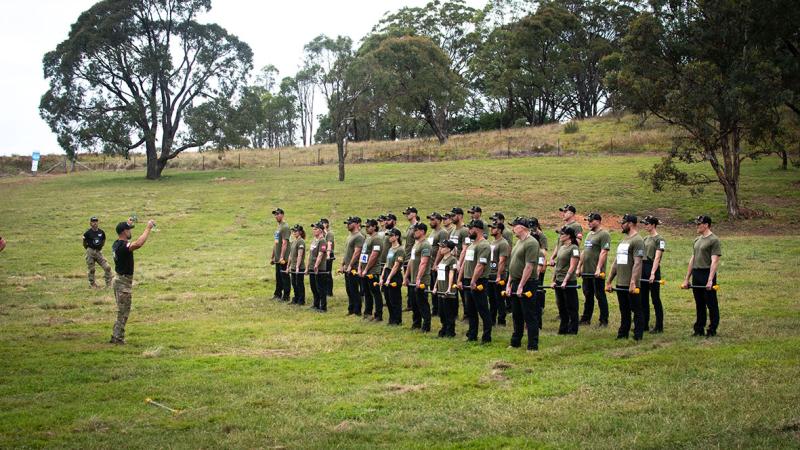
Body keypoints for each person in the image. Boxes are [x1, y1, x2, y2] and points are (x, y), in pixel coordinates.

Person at [110, 219, 155, 344]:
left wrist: (128, 222)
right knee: (123, 311)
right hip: (123, 282)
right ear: (124, 232)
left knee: (122, 310)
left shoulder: (116, 244)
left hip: (120, 280)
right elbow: (138, 244)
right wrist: (148, 228)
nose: (130, 231)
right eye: (129, 229)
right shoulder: (123, 247)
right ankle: (118, 337)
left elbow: (130, 243)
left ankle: (116, 335)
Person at [606, 214, 646, 340]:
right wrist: (609, 280)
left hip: (631, 283)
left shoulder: (638, 240)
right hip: (621, 282)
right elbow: (617, 262)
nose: (621, 225)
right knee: (624, 310)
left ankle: (638, 335)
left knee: (637, 310)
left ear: (630, 223)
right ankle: (623, 333)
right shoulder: (624, 240)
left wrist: (633, 282)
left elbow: (638, 262)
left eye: (623, 223)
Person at [505, 217, 542, 351]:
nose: (513, 228)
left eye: (515, 226)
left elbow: (529, 266)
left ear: (522, 227)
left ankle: (532, 345)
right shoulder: (518, 242)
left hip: (527, 284)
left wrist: (521, 285)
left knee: (529, 315)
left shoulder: (531, 243)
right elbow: (513, 265)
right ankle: (515, 342)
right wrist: (509, 284)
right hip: (515, 281)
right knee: (516, 314)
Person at [682, 215, 722, 337]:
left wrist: (710, 280)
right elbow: (692, 259)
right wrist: (687, 278)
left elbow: (714, 261)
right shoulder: (696, 240)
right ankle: (699, 329)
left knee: (711, 304)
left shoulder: (714, 240)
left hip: (707, 273)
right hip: (697, 274)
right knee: (699, 303)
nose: (697, 226)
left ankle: (712, 329)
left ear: (706, 225)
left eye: (699, 224)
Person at [458, 220, 492, 343]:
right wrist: (459, 279)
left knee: (483, 310)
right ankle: (472, 335)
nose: (468, 231)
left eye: (470, 228)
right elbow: (465, 264)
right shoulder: (471, 245)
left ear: (477, 229)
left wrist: (473, 281)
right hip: (467, 280)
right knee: (471, 310)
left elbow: (480, 265)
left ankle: (486, 337)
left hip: (479, 281)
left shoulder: (484, 245)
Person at [577, 212, 611, 326]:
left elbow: (604, 252)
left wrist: (598, 268)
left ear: (598, 221)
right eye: (588, 221)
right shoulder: (589, 234)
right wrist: (579, 267)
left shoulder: (604, 234)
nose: (589, 223)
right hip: (586, 271)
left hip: (597, 273)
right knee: (588, 295)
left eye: (591, 221)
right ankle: (586, 319)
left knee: (600, 295)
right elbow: (584, 251)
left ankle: (603, 320)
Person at [553, 226, 581, 335]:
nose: (560, 236)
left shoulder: (574, 248)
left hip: (568, 281)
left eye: (562, 234)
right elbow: (558, 266)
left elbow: (573, 266)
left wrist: (565, 280)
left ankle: (573, 329)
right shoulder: (562, 247)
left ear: (568, 236)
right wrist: (554, 280)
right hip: (559, 280)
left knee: (571, 306)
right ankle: (563, 328)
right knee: (561, 306)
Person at [404, 222, 432, 331]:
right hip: (413, 279)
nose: (414, 232)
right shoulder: (416, 244)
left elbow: (424, 263)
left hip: (422, 280)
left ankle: (426, 325)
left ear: (422, 231)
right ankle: (416, 323)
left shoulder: (425, 244)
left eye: (416, 230)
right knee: (414, 303)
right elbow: (411, 261)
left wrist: (419, 278)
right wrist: (406, 276)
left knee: (422, 303)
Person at [641, 215, 666, 333]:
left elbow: (657, 257)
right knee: (643, 298)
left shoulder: (659, 239)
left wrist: (652, 273)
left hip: (652, 267)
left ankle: (659, 326)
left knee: (655, 299)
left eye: (647, 224)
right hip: (643, 267)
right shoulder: (645, 238)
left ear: (653, 225)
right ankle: (644, 324)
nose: (645, 226)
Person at [358, 219, 384, 321]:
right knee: (366, 292)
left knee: (375, 293)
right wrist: (360, 267)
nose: (366, 228)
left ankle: (378, 314)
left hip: (372, 271)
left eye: (368, 226)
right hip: (364, 270)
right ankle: (367, 312)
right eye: (365, 227)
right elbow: (363, 253)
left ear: (374, 227)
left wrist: (367, 269)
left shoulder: (376, 239)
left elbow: (374, 255)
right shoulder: (368, 238)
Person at [432, 240, 458, 337]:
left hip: (448, 291)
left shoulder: (452, 260)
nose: (440, 249)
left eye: (442, 247)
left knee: (449, 312)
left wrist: (449, 288)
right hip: (440, 290)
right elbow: (439, 275)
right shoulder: (442, 259)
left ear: (448, 249)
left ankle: (450, 331)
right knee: (442, 312)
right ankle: (443, 329)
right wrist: (435, 287)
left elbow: (451, 274)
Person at [487, 222, 511, 326]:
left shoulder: (503, 243)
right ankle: (492, 319)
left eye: (494, 228)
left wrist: (498, 275)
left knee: (499, 298)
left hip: (499, 275)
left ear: (500, 230)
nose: (491, 229)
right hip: (490, 273)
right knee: (491, 298)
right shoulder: (492, 242)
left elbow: (502, 260)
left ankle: (501, 320)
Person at [380, 228, 405, 325]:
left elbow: (396, 266)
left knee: (395, 299)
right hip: (387, 273)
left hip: (394, 275)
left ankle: (397, 320)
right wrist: (382, 277)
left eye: (391, 235)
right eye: (389, 236)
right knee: (388, 298)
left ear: (397, 237)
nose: (389, 237)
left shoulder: (400, 250)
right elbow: (387, 263)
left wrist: (389, 278)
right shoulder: (390, 249)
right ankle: (391, 319)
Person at [341, 216, 364, 316]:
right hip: (347, 267)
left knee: (354, 289)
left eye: (349, 223)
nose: (347, 225)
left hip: (353, 267)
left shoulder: (359, 237)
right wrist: (343, 264)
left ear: (355, 224)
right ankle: (351, 309)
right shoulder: (349, 236)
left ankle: (357, 310)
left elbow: (357, 252)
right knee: (349, 289)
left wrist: (350, 265)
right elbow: (347, 252)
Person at [427, 212, 449, 317]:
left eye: (433, 219)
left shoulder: (442, 232)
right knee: (433, 287)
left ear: (439, 221)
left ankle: (441, 310)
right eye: (430, 219)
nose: (431, 221)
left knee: (440, 287)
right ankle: (435, 309)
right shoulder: (432, 232)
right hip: (431, 265)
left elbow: (441, 249)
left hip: (439, 265)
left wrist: (436, 264)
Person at [83, 216, 113, 288]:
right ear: (90, 223)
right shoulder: (87, 233)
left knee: (107, 267)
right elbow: (84, 242)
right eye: (93, 221)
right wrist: (88, 249)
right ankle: (92, 284)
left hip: (99, 252)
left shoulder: (101, 232)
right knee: (91, 269)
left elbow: (103, 241)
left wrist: (100, 248)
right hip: (90, 251)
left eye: (96, 221)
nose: (95, 223)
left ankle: (108, 284)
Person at [530, 218, 549, 329]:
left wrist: (543, 265)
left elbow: (544, 251)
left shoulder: (541, 236)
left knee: (539, 288)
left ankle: (541, 306)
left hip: (539, 265)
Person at [270, 208, 291, 302]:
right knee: (278, 276)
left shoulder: (285, 227)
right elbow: (276, 242)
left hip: (284, 257)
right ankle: (278, 294)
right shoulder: (278, 226)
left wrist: (282, 256)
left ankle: (286, 296)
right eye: (275, 214)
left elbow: (285, 243)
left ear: (282, 215)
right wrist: (273, 256)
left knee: (284, 277)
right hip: (277, 257)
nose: (276, 216)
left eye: (278, 214)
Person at [307, 222, 329, 312]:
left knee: (320, 288)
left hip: (319, 268)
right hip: (312, 267)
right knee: (313, 287)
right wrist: (308, 266)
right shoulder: (314, 240)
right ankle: (316, 304)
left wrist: (316, 265)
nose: (313, 230)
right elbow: (310, 254)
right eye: (313, 229)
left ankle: (323, 307)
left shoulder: (322, 241)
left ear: (320, 230)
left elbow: (320, 254)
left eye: (315, 229)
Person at [402, 206, 420, 311]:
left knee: (412, 282)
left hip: (412, 258)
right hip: (407, 257)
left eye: (408, 213)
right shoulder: (410, 227)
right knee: (408, 281)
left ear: (414, 214)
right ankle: (410, 303)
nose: (407, 215)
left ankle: (414, 304)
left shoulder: (417, 227)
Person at [288, 225, 306, 306]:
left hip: (299, 267)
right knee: (294, 284)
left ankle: (301, 300)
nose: (294, 232)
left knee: (299, 284)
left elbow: (300, 255)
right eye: (293, 231)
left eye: (296, 231)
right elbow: (291, 255)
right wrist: (288, 266)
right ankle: (296, 298)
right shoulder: (294, 241)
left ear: (300, 232)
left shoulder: (301, 241)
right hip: (293, 266)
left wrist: (298, 267)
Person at [321, 218, 335, 297]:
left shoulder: (329, 233)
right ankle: (324, 289)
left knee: (327, 273)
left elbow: (329, 244)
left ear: (326, 224)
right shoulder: (322, 234)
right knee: (323, 273)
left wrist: (328, 255)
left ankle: (329, 292)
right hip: (323, 254)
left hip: (328, 254)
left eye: (322, 223)